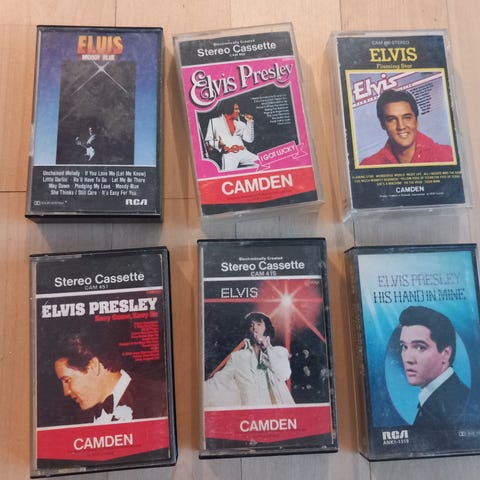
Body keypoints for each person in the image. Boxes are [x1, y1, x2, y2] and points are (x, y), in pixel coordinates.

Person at [53, 332, 165, 424]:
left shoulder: (159, 398)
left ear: (93, 366)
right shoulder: (78, 417)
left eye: (67, 380)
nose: (66, 392)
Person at [398, 306, 469, 430]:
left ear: (446, 354)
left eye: (420, 347)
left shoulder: (457, 403)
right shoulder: (439, 396)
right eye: (404, 347)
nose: (408, 359)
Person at [204, 312, 295, 407]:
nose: (255, 328)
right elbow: (219, 381)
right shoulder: (237, 357)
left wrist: (266, 349)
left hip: (277, 411)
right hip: (251, 411)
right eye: (251, 325)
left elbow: (284, 374)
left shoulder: (279, 352)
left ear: (266, 328)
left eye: (259, 324)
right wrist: (198, 391)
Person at [361, 89, 453, 165]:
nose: (401, 126)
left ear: (416, 121)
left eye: (407, 117)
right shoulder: (369, 165)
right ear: (382, 124)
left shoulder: (448, 156)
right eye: (391, 119)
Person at [204, 100, 258, 171]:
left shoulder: (240, 124)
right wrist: (218, 144)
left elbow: (249, 139)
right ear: (228, 109)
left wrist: (250, 122)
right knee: (227, 174)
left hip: (243, 152)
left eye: (238, 109)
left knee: (262, 163)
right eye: (236, 109)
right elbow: (208, 140)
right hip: (228, 155)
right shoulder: (214, 121)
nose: (238, 111)